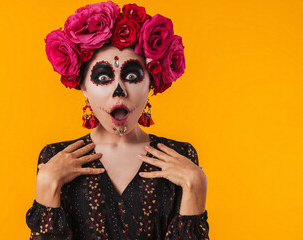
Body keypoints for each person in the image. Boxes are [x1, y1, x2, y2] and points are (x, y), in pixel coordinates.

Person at [26, 1, 209, 239]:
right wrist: (46, 187)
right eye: (103, 77)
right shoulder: (54, 159)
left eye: (132, 75)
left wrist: (196, 186)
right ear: (83, 86)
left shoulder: (181, 156)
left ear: (151, 83)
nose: (119, 90)